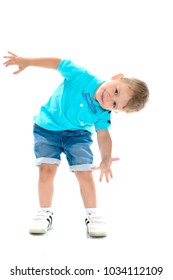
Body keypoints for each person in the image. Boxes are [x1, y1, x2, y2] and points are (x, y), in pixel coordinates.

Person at [3, 51, 149, 237]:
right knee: (46, 171)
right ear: (117, 77)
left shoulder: (103, 113)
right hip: (47, 128)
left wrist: (105, 158)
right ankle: (44, 213)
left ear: (116, 110)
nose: (109, 99)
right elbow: (58, 63)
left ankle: (92, 215)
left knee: (84, 173)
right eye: (116, 91)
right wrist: (29, 61)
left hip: (78, 136)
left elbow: (103, 134)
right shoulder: (81, 76)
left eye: (114, 104)